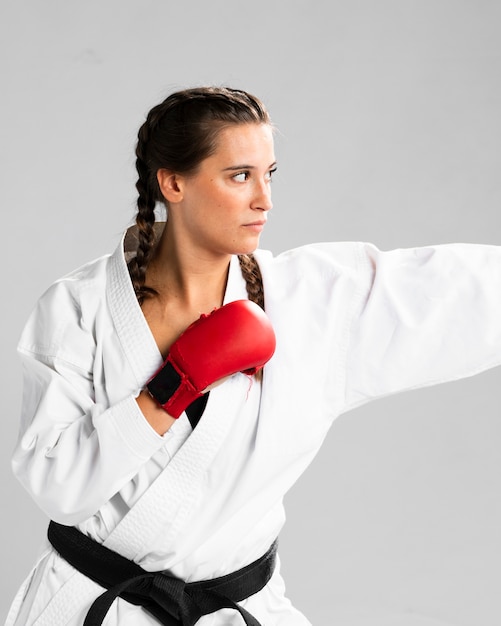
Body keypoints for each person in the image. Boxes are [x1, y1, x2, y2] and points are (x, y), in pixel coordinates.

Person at [5, 86, 501, 626]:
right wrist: (172, 387)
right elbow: (58, 486)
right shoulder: (81, 307)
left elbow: (443, 292)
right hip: (89, 607)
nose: (265, 199)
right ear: (173, 183)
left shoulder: (309, 304)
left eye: (270, 174)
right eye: (240, 176)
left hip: (232, 611)